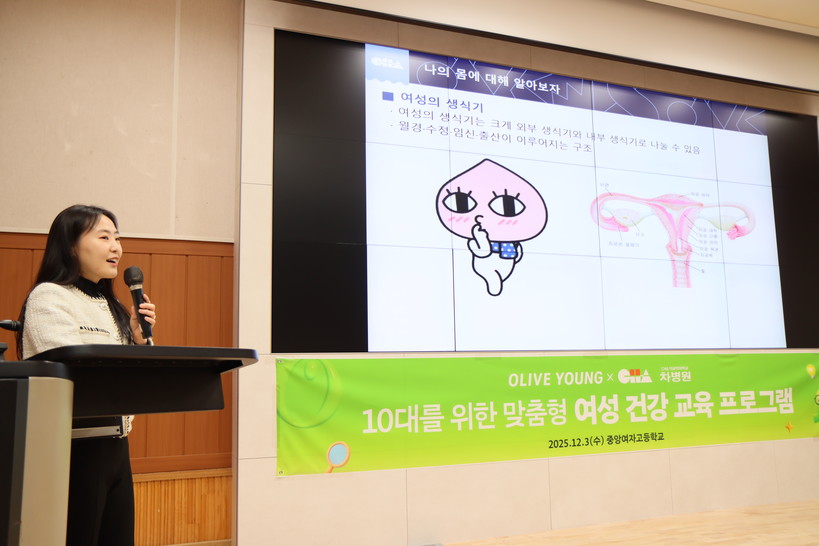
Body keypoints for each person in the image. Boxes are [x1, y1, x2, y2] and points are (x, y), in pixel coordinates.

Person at [16, 204, 157, 546]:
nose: (116, 248)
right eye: (104, 237)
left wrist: (140, 341)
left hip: (116, 446)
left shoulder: (112, 306)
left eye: (117, 238)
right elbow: (73, 372)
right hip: (73, 447)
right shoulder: (49, 296)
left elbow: (135, 381)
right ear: (70, 246)